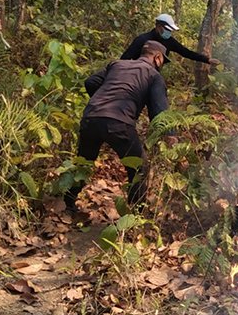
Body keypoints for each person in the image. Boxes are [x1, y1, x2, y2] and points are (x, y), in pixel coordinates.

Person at [64, 41, 173, 212]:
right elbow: (159, 111)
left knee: (83, 162)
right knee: (139, 167)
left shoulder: (117, 64)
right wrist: (169, 134)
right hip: (119, 122)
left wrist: (104, 102)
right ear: (157, 58)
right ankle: (135, 214)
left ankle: (68, 203)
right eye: (162, 62)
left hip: (91, 116)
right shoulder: (153, 75)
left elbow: (90, 82)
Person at [120, 13, 220, 67]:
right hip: (137, 73)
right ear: (158, 26)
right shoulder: (142, 40)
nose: (169, 32)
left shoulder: (169, 41)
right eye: (167, 29)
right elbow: (125, 59)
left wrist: (207, 59)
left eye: (171, 30)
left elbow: (186, 52)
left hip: (154, 74)